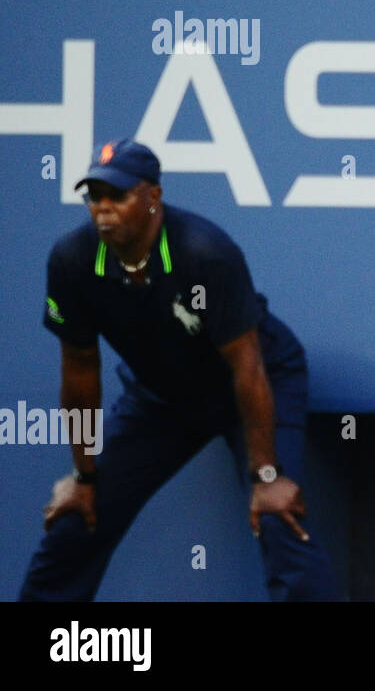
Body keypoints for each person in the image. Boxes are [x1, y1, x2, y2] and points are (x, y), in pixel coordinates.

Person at [19, 139, 337, 601]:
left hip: (251, 383)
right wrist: (84, 475)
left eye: (118, 196)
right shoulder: (71, 261)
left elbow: (246, 365)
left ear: (153, 198)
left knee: (277, 515)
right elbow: (81, 372)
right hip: (161, 400)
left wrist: (266, 476)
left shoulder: (205, 253)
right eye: (94, 197)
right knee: (77, 518)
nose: (104, 210)